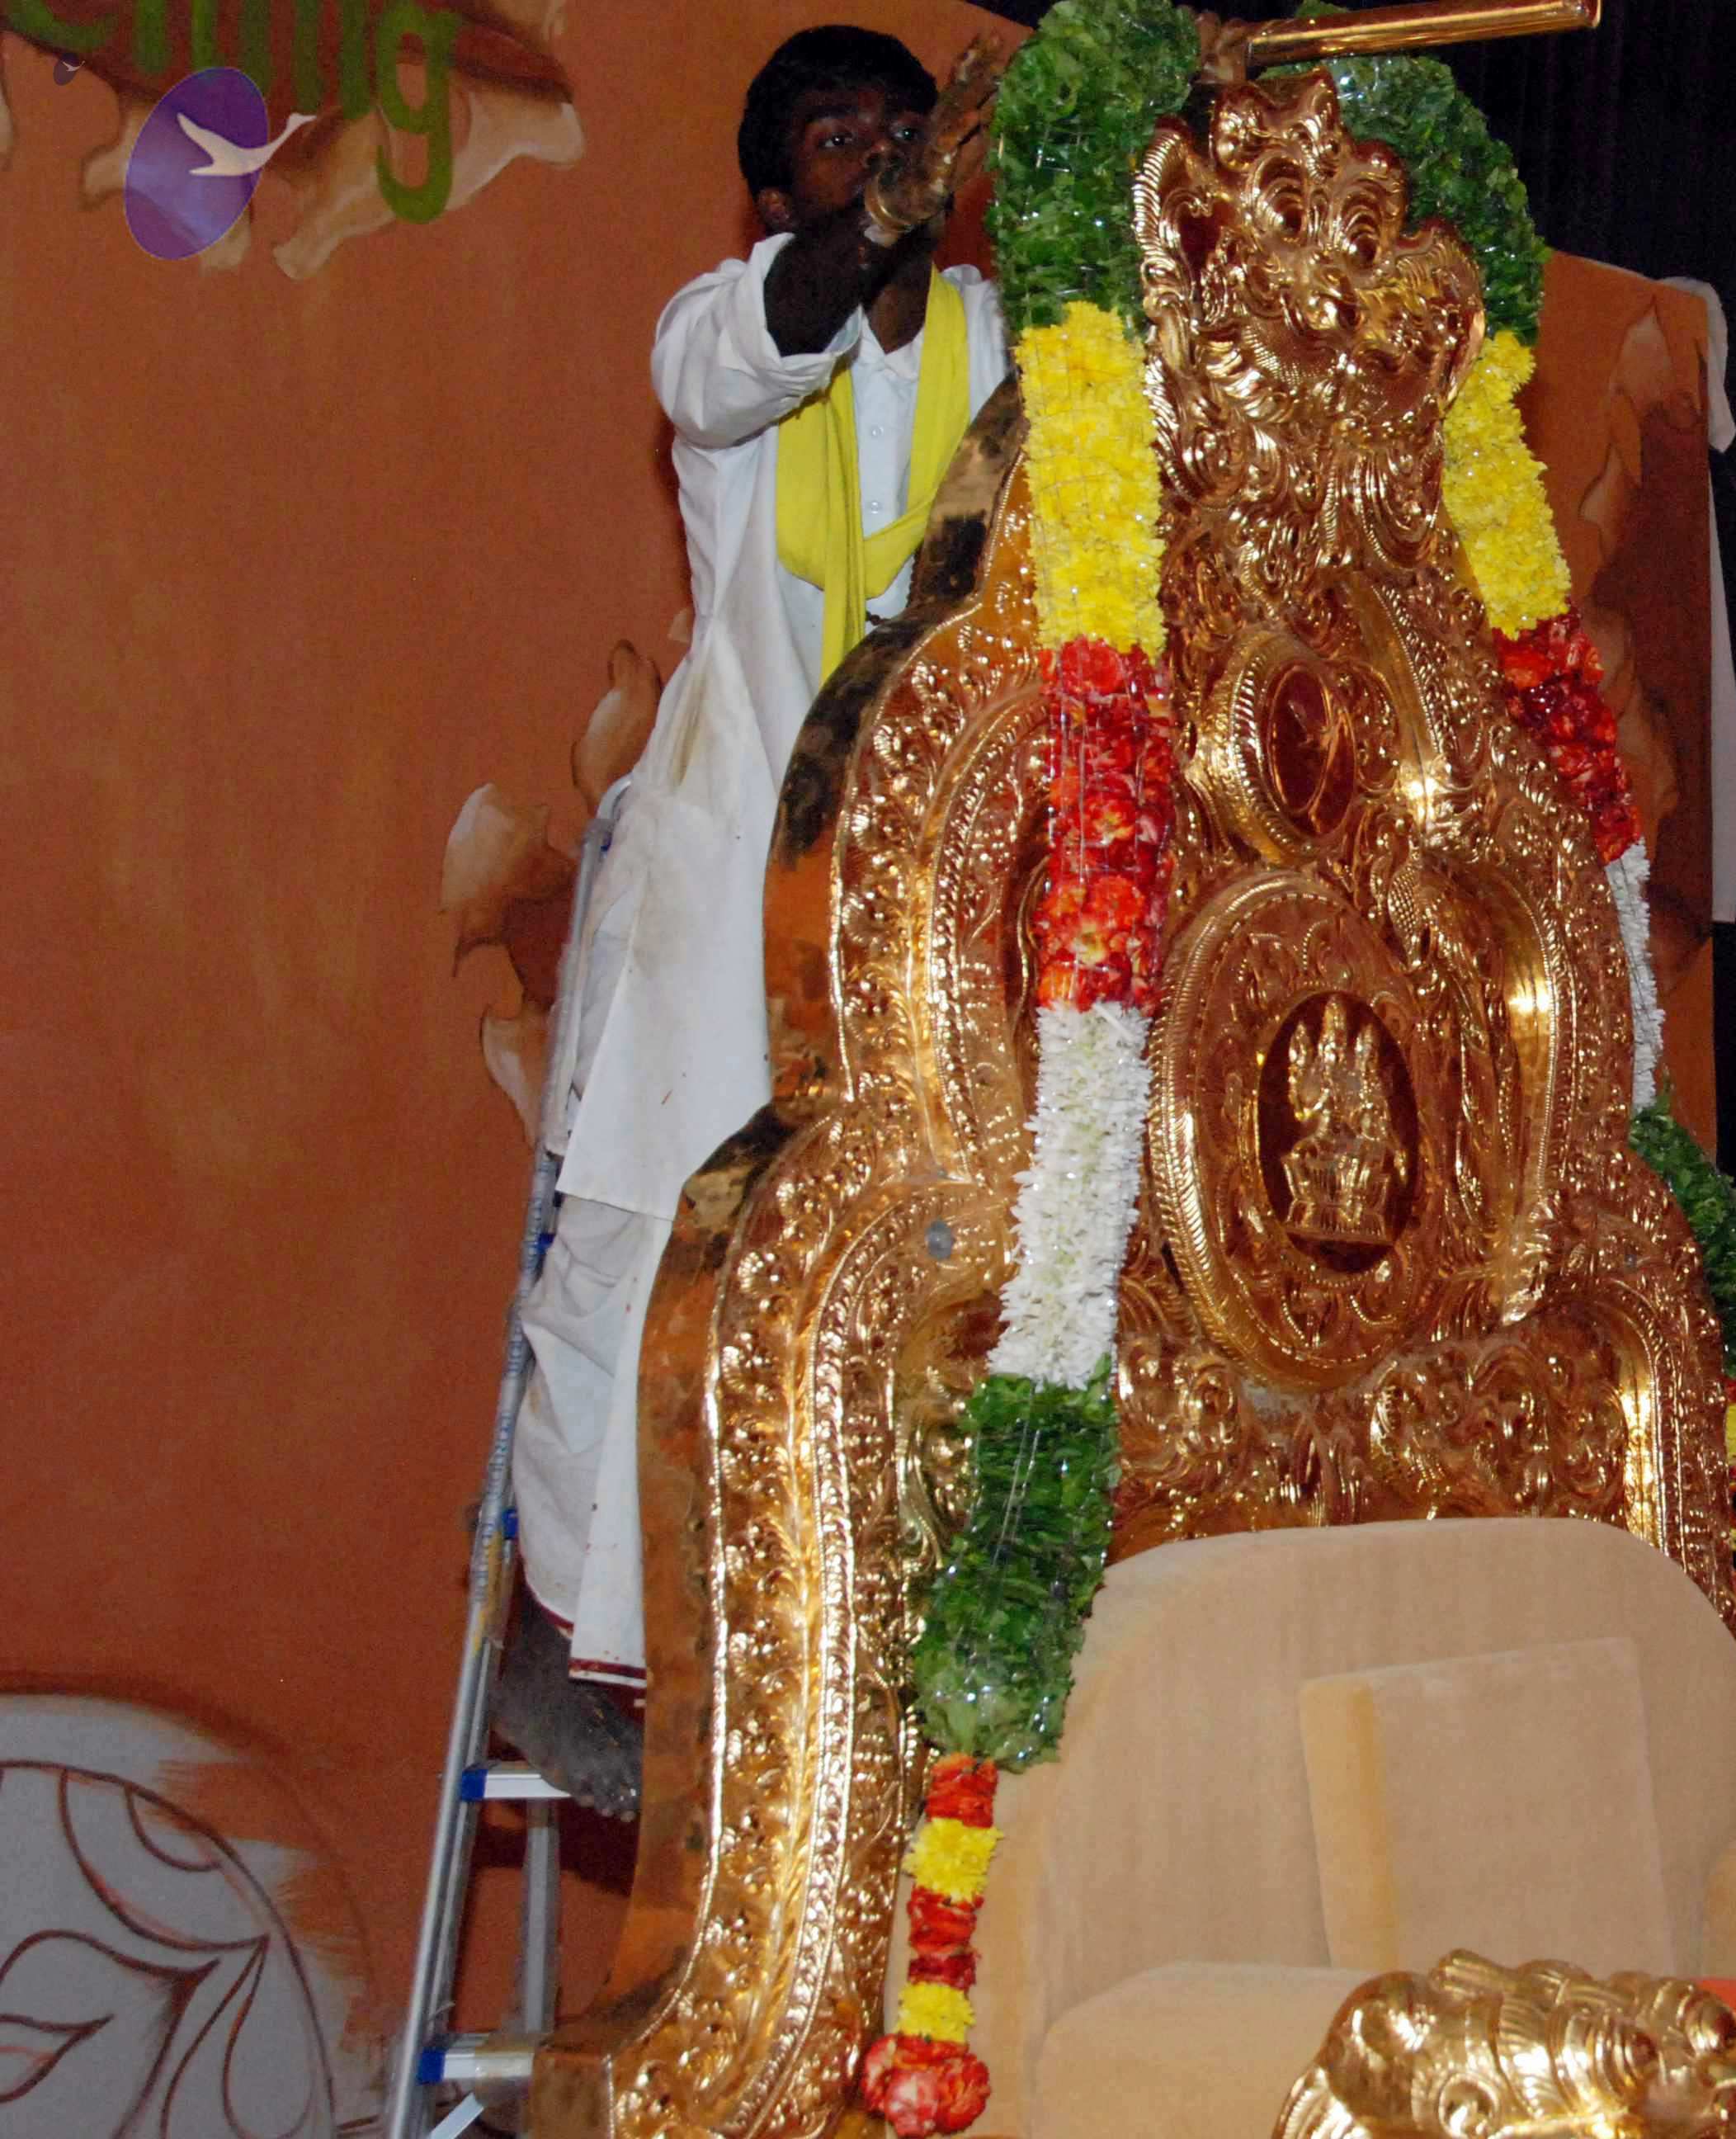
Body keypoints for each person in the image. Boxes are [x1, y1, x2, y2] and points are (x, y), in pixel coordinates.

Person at [497, 25, 1008, 1814]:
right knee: (646, 1250)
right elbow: (757, 353)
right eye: (832, 137)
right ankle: (575, 1659)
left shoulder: (1008, 348)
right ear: (776, 192)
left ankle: (866, 1663)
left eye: (899, 128)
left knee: (929, 1278)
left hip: (924, 902)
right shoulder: (726, 323)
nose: (870, 153)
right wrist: (888, 211)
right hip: (723, 890)